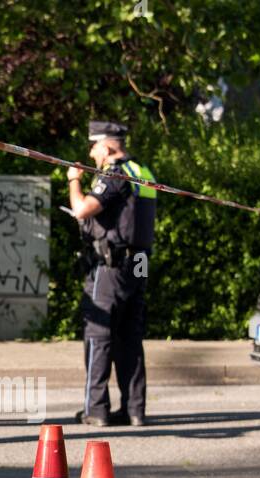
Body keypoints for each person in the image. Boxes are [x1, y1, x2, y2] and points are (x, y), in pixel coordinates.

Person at [68, 120, 157, 427]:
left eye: (94, 148)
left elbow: (81, 209)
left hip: (111, 268)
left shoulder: (114, 175)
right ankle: (134, 410)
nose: (92, 154)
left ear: (106, 147)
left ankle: (96, 409)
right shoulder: (142, 172)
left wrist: (73, 181)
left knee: (99, 336)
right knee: (130, 337)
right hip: (139, 264)